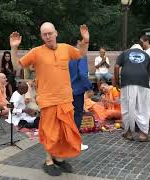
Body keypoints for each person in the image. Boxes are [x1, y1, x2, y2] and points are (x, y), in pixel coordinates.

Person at [9, 22, 89, 176]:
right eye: (44, 34)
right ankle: (48, 161)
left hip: (65, 98)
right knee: (49, 132)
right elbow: (17, 66)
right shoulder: (36, 52)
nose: (47, 36)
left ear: (56, 33)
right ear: (41, 36)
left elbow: (81, 54)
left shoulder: (66, 48)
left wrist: (85, 40)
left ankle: (59, 158)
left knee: (64, 131)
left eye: (50, 33)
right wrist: (14, 48)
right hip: (47, 100)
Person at [114, 44, 150, 142]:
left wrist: (117, 81)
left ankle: (128, 133)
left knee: (127, 106)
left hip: (127, 80)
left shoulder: (124, 53)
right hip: (143, 81)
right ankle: (143, 134)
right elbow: (149, 72)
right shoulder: (146, 55)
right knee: (143, 107)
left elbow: (117, 66)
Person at [69, 40, 93, 151]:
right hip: (77, 90)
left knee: (67, 116)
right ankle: (75, 142)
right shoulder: (81, 55)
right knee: (77, 115)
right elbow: (83, 74)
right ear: (78, 42)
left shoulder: (66, 54)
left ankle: (65, 141)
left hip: (64, 90)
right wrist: (89, 88)